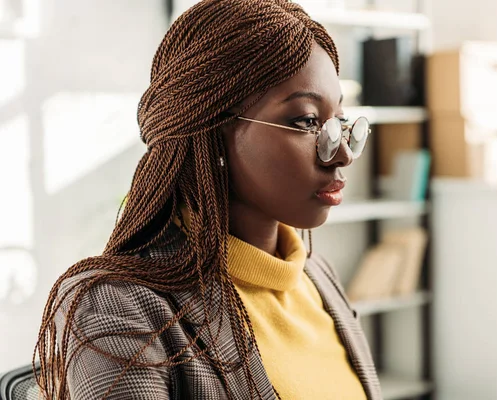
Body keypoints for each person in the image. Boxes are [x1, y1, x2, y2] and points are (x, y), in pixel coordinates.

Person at [35, 0, 380, 398]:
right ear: (212, 132)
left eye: (340, 121)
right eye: (306, 121)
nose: (342, 154)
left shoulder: (316, 277)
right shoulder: (116, 307)